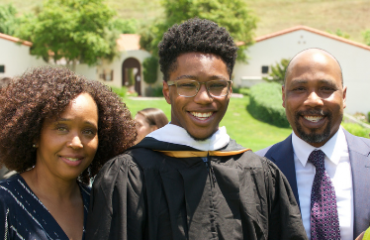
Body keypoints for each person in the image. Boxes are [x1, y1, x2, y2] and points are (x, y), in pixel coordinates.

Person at [86, 18, 307, 240]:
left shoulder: (262, 175)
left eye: (216, 85)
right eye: (187, 85)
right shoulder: (127, 175)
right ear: (166, 91)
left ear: (229, 90)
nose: (203, 98)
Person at [0, 67, 136, 240]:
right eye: (62, 128)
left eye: (88, 131)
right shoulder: (6, 202)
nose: (77, 143)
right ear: (34, 133)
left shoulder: (100, 206)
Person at [256, 48, 370, 240]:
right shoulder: (255, 170)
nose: (313, 100)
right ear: (284, 96)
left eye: (326, 88)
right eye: (300, 89)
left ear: (344, 96)